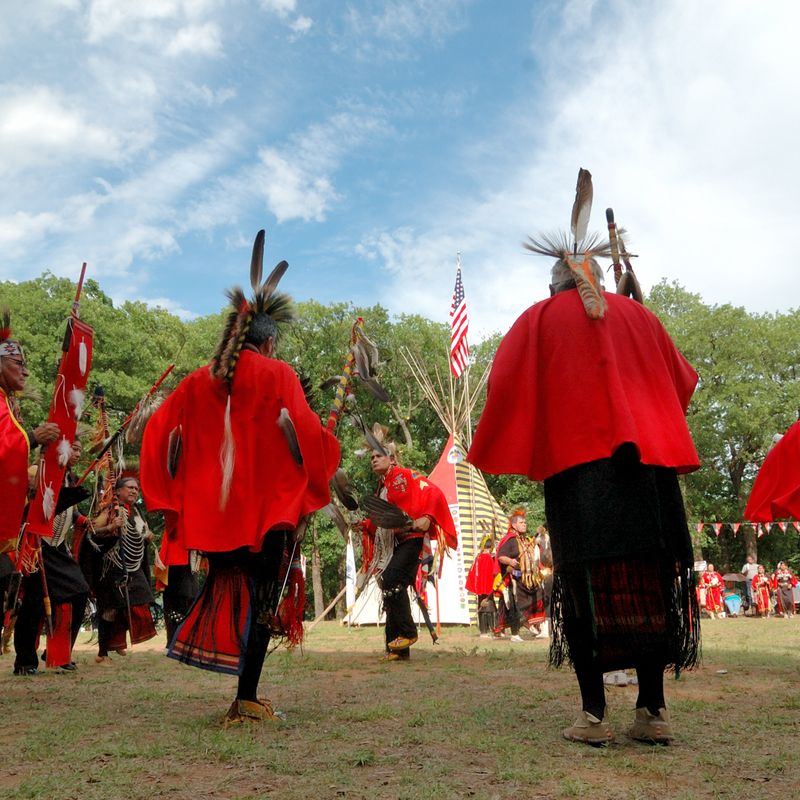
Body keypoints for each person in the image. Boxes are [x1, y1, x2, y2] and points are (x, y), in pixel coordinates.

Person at [468, 181, 700, 745]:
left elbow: (503, 388)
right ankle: (652, 711)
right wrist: (635, 330)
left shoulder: (540, 318)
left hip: (580, 476)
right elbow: (682, 385)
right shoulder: (641, 318)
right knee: (649, 584)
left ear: (556, 284)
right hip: (647, 472)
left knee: (584, 588)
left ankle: (593, 715)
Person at [140, 231, 340, 725]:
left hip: (215, 521)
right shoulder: (278, 375)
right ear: (268, 342)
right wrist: (326, 448)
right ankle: (246, 695)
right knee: (262, 598)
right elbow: (306, 435)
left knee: (233, 591)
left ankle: (241, 693)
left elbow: (158, 431)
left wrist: (172, 495)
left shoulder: (197, 381)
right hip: (265, 517)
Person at [360, 439, 457, 661]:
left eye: (379, 456)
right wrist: (364, 525)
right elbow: (384, 519)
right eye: (372, 457)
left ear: (392, 459)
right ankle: (397, 650)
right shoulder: (384, 486)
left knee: (392, 579)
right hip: (396, 542)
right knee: (389, 586)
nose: (373, 459)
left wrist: (428, 516)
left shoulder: (404, 475)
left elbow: (433, 492)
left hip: (411, 539)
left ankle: (408, 632)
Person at [0, 314, 60, 648]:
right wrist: (33, 437)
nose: (24, 372)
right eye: (18, 364)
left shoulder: (8, 405)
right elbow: (5, 448)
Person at [13, 442, 90, 674]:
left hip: (58, 547)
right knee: (34, 604)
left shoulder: (69, 477)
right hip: (36, 546)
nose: (78, 453)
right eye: (74, 448)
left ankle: (59, 653)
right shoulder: (37, 472)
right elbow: (28, 507)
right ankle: (25, 662)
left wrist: (85, 521)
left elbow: (69, 512)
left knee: (79, 592)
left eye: (80, 449)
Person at [88, 475, 157, 664]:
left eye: (136, 488)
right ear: (117, 491)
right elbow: (91, 531)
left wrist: (148, 537)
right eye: (130, 487)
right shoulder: (111, 509)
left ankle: (117, 641)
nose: (134, 491)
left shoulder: (137, 512)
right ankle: (102, 653)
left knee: (140, 602)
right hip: (113, 566)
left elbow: (140, 536)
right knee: (111, 609)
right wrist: (110, 526)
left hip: (134, 566)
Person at [494, 509, 544, 641]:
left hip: (526, 579)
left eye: (525, 522)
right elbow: (500, 557)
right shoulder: (510, 540)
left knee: (538, 597)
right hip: (514, 580)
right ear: (514, 525)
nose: (524, 524)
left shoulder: (524, 540)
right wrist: (510, 561)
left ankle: (534, 626)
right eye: (521, 523)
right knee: (516, 607)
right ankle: (515, 634)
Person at [465, 534, 497, 637]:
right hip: (488, 588)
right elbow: (492, 573)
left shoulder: (478, 557)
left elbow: (472, 573)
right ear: (490, 547)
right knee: (489, 608)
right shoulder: (488, 558)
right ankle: (492, 630)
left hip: (479, 588)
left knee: (482, 606)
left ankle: (483, 631)